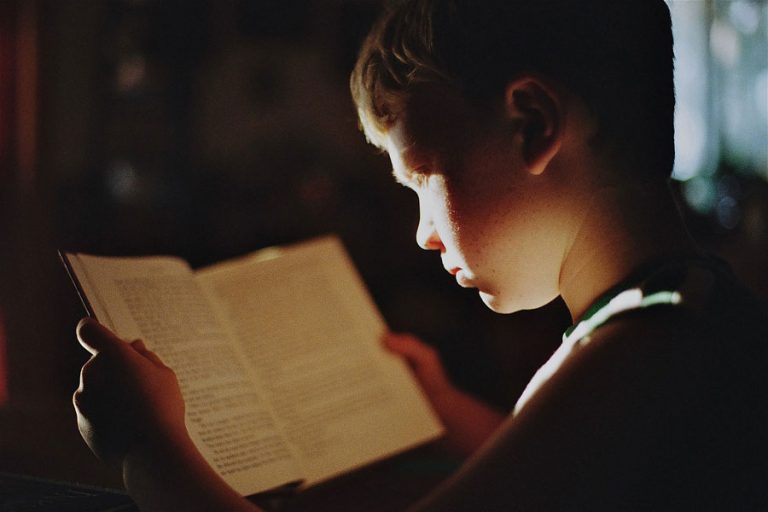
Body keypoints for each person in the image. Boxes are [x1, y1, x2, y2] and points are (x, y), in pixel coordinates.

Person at [74, 0, 768, 510]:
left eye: (425, 179)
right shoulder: (682, 310)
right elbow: (576, 476)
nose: (422, 234)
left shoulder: (641, 356)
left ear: (532, 124)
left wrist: (152, 450)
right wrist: (445, 410)